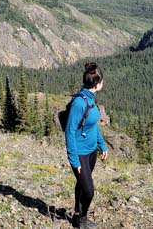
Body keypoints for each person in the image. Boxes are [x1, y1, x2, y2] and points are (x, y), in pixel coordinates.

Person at [65, 62, 108, 229]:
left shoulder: (90, 98)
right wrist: (74, 160)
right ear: (97, 85)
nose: (103, 83)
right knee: (89, 191)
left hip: (91, 152)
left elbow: (93, 125)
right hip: (80, 153)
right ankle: (82, 220)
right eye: (102, 81)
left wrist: (102, 145)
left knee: (81, 184)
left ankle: (77, 213)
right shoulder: (79, 103)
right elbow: (69, 132)